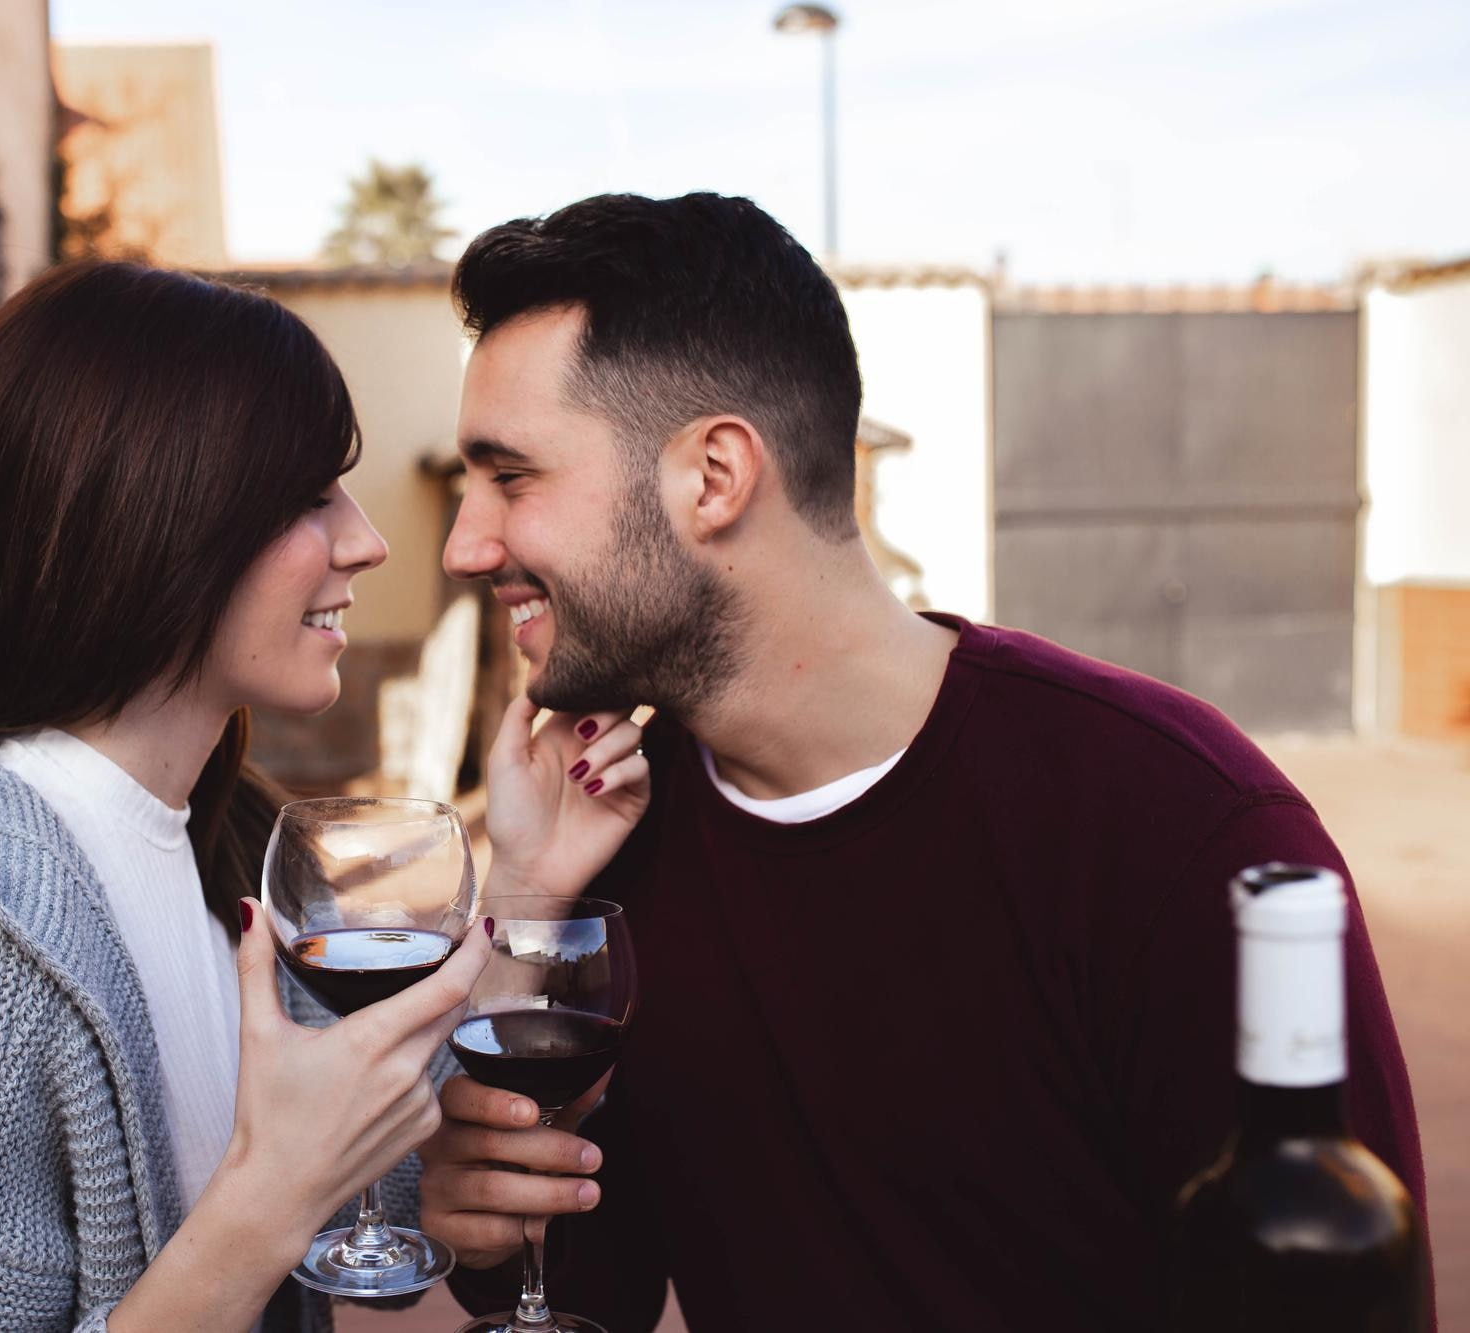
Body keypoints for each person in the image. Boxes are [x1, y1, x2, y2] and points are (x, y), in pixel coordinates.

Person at [419, 193, 1427, 1331]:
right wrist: (524, 907)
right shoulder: (611, 851)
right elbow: (574, 1292)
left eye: (509, 477)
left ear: (711, 478)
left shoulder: (1171, 830)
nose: (464, 545)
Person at [0, 261, 638, 1332]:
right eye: (306, 496)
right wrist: (274, 1198)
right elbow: (257, 1210)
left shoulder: (218, 848)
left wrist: (526, 876)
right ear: (150, 521)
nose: (366, 540)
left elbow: (327, 1222)